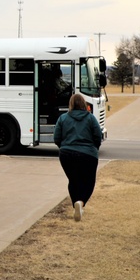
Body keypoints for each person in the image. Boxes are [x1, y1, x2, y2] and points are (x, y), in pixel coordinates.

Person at [53, 93, 104, 222]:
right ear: (84, 104)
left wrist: (63, 147)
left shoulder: (63, 118)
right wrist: (94, 148)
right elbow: (98, 135)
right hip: (88, 154)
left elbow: (56, 138)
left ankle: (76, 202)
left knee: (73, 180)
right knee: (88, 182)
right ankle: (80, 203)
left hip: (67, 154)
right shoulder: (90, 118)